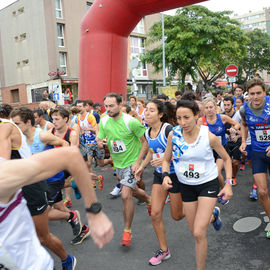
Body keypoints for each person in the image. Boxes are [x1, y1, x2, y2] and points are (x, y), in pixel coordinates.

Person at [0, 146, 114, 270]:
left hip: (43, 184)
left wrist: (94, 214)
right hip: (42, 183)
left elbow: (70, 155)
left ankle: (71, 219)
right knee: (58, 206)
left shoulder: (3, 176)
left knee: (44, 233)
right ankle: (73, 218)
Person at [162, 98, 233, 270]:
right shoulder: (174, 135)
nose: (182, 122)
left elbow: (226, 158)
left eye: (186, 117)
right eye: (179, 118)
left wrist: (228, 183)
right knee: (194, 230)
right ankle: (214, 215)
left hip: (207, 184)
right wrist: (165, 175)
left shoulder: (209, 137)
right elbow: (165, 160)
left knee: (199, 233)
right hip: (186, 186)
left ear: (196, 116)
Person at [135, 99, 184, 265]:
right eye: (146, 110)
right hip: (159, 176)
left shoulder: (169, 130)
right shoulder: (148, 132)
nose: (146, 113)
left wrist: (164, 158)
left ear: (161, 114)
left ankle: (202, 207)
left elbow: (183, 151)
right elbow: (151, 150)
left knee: (177, 216)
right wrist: (142, 166)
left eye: (151, 110)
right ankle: (164, 250)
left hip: (176, 175)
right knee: (155, 213)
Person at [97, 93, 151, 247]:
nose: (108, 109)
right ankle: (149, 200)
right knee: (132, 191)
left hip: (132, 163)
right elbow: (100, 139)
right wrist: (101, 143)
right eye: (106, 106)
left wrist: (138, 162)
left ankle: (127, 231)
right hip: (118, 164)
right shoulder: (104, 121)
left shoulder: (131, 122)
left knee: (126, 194)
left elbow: (145, 142)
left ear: (120, 105)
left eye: (111, 106)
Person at [239, 78, 270, 237]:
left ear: (264, 92)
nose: (256, 96)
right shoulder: (244, 110)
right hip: (258, 153)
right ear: (248, 95)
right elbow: (244, 125)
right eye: (252, 94)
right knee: (263, 192)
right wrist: (244, 141)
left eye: (259, 93)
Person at [197, 97, 240, 187]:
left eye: (211, 107)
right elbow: (197, 135)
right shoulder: (201, 121)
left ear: (215, 108)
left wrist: (234, 129)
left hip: (222, 148)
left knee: (216, 172)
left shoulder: (222, 118)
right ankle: (222, 188)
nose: (209, 110)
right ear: (204, 109)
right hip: (208, 150)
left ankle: (223, 190)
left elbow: (237, 123)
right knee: (211, 173)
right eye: (206, 108)